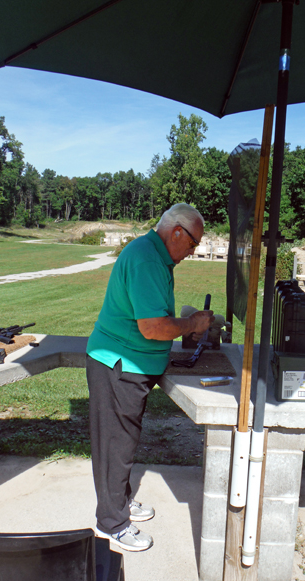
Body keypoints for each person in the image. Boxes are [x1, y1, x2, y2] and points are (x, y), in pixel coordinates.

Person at [86, 203, 214, 552]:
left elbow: (151, 314)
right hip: (119, 365)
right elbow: (153, 327)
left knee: (123, 441)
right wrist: (194, 325)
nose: (193, 251)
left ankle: (119, 501)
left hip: (130, 364)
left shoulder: (154, 256)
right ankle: (111, 523)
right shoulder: (146, 259)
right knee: (116, 446)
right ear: (176, 232)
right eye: (193, 244)